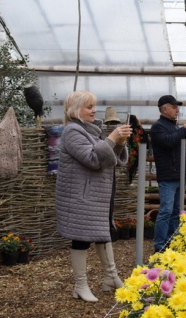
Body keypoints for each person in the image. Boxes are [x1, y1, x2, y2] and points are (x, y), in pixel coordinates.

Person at [55, 90, 131, 302]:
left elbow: (109, 159)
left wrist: (120, 142)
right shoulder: (72, 131)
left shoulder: (91, 130)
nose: (94, 111)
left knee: (102, 232)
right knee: (81, 239)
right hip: (80, 196)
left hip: (96, 195)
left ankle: (111, 277)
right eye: (89, 107)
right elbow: (92, 159)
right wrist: (111, 138)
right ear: (76, 109)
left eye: (93, 106)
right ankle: (80, 286)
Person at [150, 95, 186, 253]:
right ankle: (160, 246)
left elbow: (180, 145)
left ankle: (172, 241)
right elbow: (168, 142)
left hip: (178, 175)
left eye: (177, 107)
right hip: (168, 176)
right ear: (164, 109)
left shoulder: (174, 127)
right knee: (166, 211)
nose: (177, 110)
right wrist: (183, 130)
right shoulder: (158, 127)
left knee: (175, 211)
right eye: (174, 107)